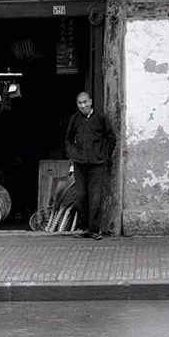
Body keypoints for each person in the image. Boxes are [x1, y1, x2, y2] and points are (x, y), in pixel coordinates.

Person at [65, 92, 116, 240]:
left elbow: (111, 138)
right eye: (80, 103)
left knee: (95, 197)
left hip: (97, 164)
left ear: (91, 102)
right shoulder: (74, 119)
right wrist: (73, 154)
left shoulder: (101, 118)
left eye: (85, 102)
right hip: (80, 163)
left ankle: (94, 230)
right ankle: (84, 228)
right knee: (81, 196)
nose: (83, 106)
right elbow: (67, 139)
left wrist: (104, 155)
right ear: (77, 104)